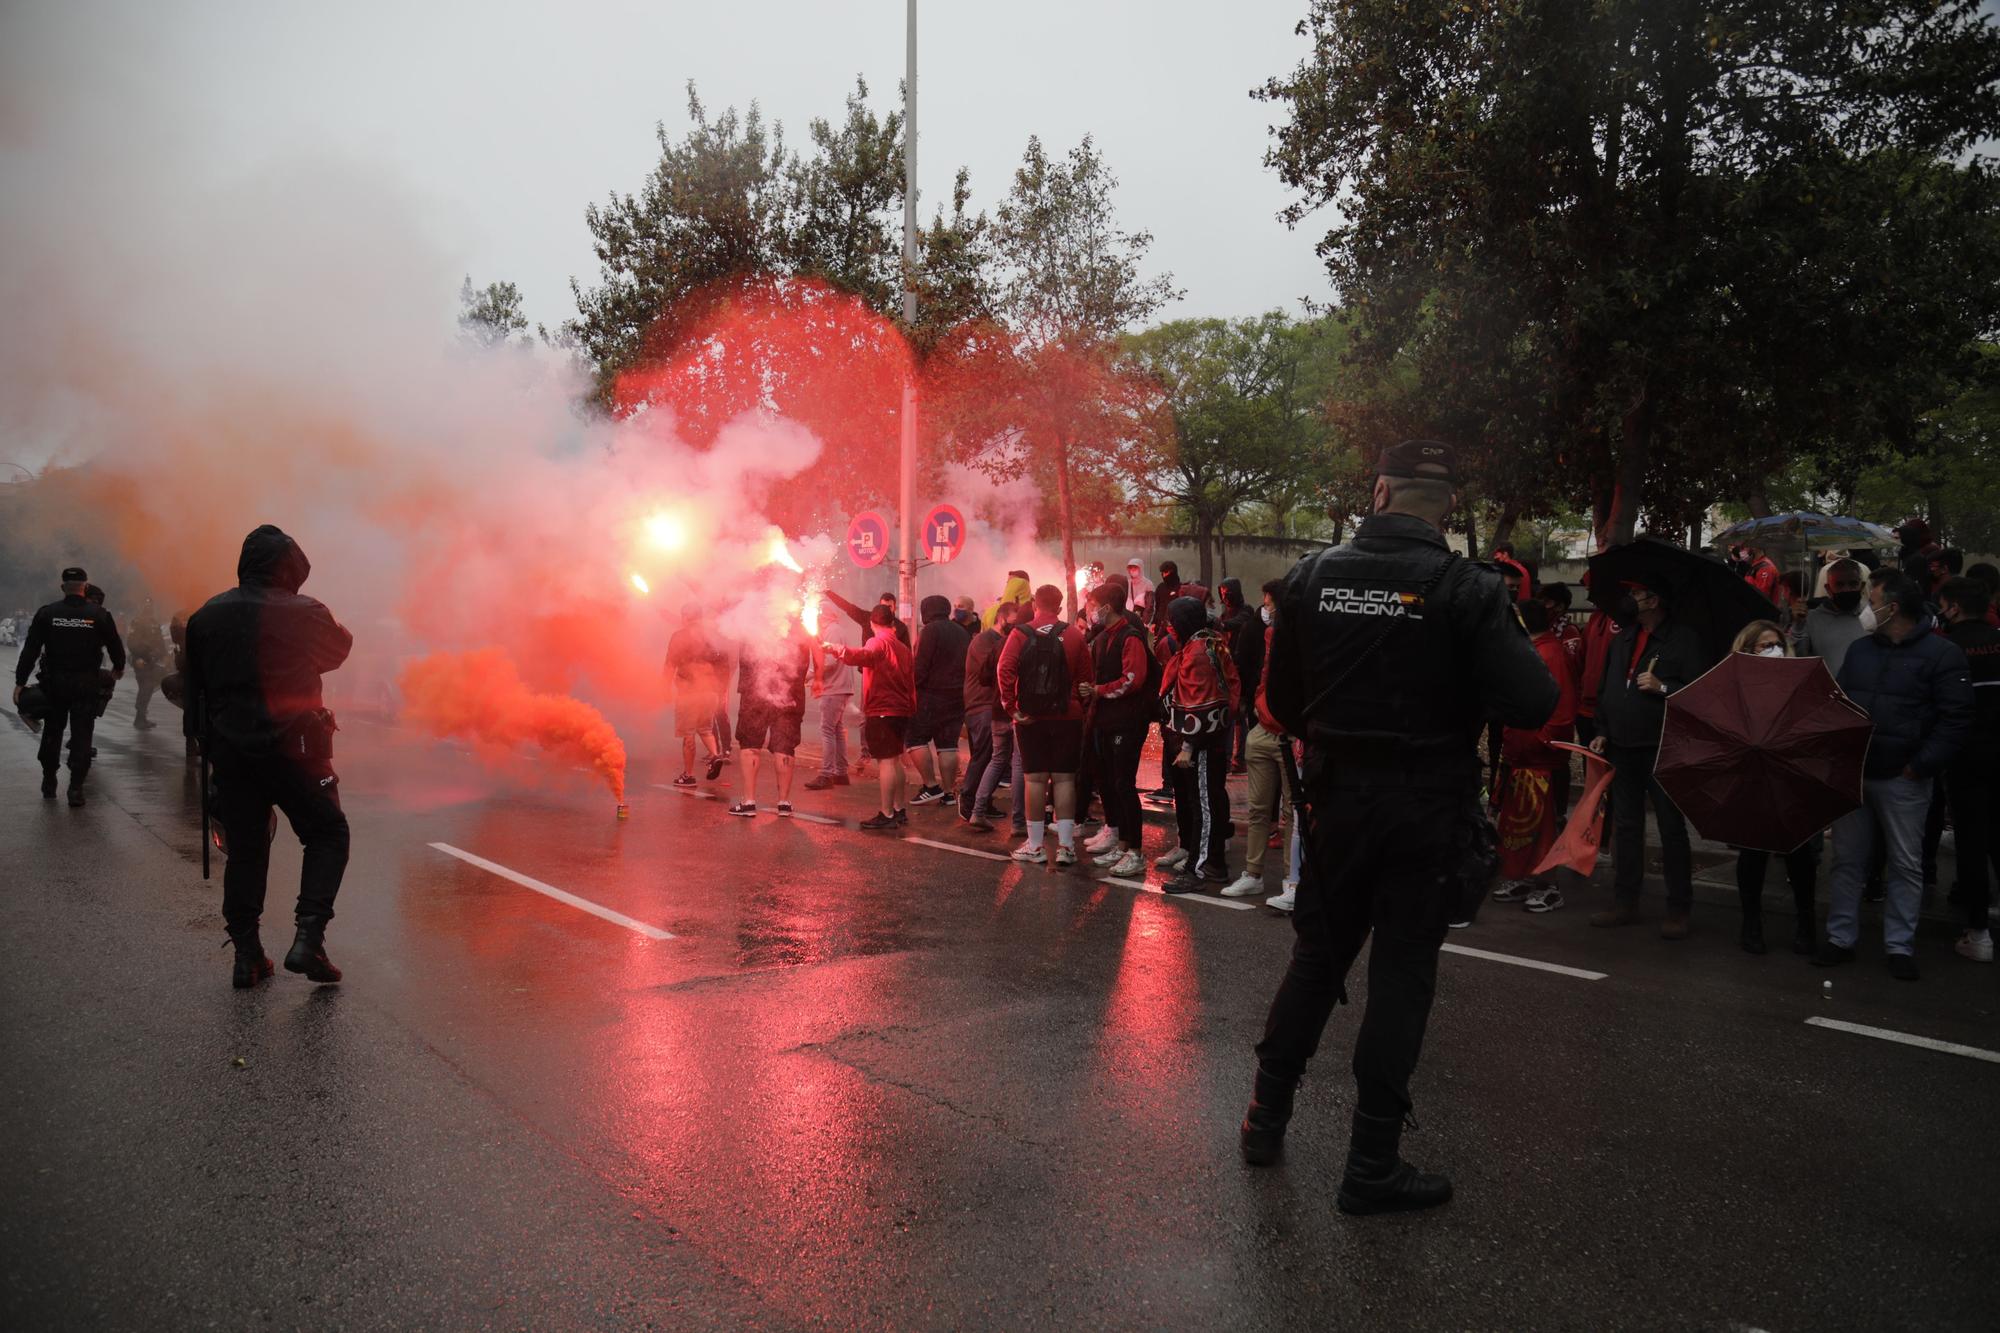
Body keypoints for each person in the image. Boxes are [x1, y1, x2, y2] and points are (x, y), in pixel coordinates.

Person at [1241, 440, 1557, 1215]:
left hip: (1338, 804)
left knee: (1317, 960)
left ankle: (1262, 1120)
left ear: (1379, 491)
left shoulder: (1313, 576)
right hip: (1425, 811)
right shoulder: (1466, 588)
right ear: (1445, 505)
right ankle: (1370, 1163)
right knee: (1401, 978)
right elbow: (1536, 701)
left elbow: (1280, 699)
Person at [185, 526, 353, 989]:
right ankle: (309, 938)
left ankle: (247, 954)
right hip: (298, 751)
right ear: (291, 566)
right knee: (327, 833)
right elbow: (338, 650)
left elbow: (193, 690)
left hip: (233, 753)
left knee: (246, 849)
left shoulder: (206, 616)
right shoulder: (308, 611)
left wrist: (205, 747)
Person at [1818, 573, 1973, 980]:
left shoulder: (1943, 655)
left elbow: (1956, 720)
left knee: (1905, 865)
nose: (1868, 609)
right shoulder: (1860, 650)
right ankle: (1840, 939)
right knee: (1848, 862)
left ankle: (1899, 946)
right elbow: (1842, 702)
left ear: (1895, 608)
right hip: (1856, 772)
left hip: (1903, 778)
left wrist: (1919, 766)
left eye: (1873, 601)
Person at [1588, 578, 1703, 938]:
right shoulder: (1623, 637)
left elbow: (1702, 693)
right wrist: (1602, 729)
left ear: (1654, 600)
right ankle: (1625, 902)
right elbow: (1608, 687)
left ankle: (1678, 908)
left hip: (1662, 747)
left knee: (1671, 829)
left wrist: (1663, 687)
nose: (1630, 599)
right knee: (1626, 826)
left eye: (1636, 594)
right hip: (1622, 746)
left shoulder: (1683, 640)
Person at [1726, 621, 1821, 955]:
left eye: (1776, 643)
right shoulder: (1734, 686)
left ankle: (1806, 923)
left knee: (1800, 854)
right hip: (1753, 778)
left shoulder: (1799, 681)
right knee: (1752, 853)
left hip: (1791, 778)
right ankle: (1750, 923)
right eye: (1763, 645)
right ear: (1747, 649)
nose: (1772, 649)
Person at [1490, 599, 1578, 913]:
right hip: (1522, 754)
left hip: (1538, 756)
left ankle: (1549, 885)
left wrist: (1542, 740)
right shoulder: (1534, 651)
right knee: (1519, 823)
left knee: (1541, 825)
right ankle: (1524, 876)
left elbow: (1562, 708)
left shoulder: (1550, 655)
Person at [14, 565, 125, 806]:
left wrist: (20, 682)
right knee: (82, 735)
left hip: (56, 684)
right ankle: (75, 788)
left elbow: (31, 650)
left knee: (53, 731)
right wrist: (118, 668)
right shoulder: (99, 614)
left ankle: (49, 780)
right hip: (86, 684)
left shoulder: (47, 613)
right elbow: (116, 646)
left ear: (63, 587)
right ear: (85, 587)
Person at [997, 583, 1090, 867]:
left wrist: (1012, 708)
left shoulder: (1020, 634)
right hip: (1067, 716)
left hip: (1031, 718)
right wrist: (1079, 709)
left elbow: (1004, 669)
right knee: (1064, 779)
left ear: (1035, 605)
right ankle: (1065, 847)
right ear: (1060, 607)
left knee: (1035, 780)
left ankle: (1035, 846)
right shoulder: (1074, 634)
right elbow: (1086, 679)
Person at [1155, 595, 1240, 891]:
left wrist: (1188, 745)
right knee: (1205, 802)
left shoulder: (1199, 652)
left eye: (1172, 620)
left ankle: (1201, 870)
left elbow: (1202, 701)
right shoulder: (1206, 643)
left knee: (1204, 804)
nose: (1168, 625)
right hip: (1204, 740)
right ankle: (1207, 862)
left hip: (1202, 743)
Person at [1937, 577, 1999, 962]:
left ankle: (1978, 933)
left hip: (1966, 758)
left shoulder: (1945, 650)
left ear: (1953, 607)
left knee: (1972, 844)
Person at [1080, 578, 1154, 878]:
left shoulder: (1130, 636)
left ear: (1107, 607)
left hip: (1127, 721)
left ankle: (1135, 851)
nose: (1090, 610)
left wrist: (1099, 690)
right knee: (1111, 781)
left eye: (1094, 605)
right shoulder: (1104, 637)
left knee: (1124, 784)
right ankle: (1122, 844)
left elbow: (1133, 679)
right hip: (1107, 721)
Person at [1224, 581, 1290, 899]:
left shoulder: (1303, 636)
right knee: (1258, 809)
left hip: (1292, 735)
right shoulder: (1262, 632)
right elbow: (1258, 675)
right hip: (1264, 728)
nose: (1267, 606)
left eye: (1270, 600)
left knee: (1291, 812)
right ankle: (1253, 873)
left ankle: (1293, 881)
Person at [827, 604, 917, 830]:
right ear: (892, 623)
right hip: (900, 710)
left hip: (883, 710)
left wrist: (838, 649)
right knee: (895, 760)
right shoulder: (903, 647)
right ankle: (898, 809)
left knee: (886, 762)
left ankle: (886, 814)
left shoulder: (877, 642)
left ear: (872, 623)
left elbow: (865, 656)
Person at [727, 619, 813, 818]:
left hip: (755, 692)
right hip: (789, 693)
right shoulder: (800, 627)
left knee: (750, 744)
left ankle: (749, 802)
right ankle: (783, 803)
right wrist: (815, 678)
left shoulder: (752, 619)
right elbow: (811, 654)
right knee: (785, 745)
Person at [963, 601, 1022, 832]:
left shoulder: (1002, 641)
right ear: (1001, 618)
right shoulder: (985, 641)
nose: (1015, 626)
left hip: (994, 706)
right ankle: (969, 803)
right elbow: (990, 673)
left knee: (996, 758)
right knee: (987, 757)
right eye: (1013, 620)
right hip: (983, 706)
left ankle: (982, 805)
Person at [907, 595, 970, 806]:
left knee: (915, 738)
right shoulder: (961, 632)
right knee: (948, 745)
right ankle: (949, 793)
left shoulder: (930, 631)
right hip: (956, 696)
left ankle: (930, 786)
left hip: (930, 695)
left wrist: (911, 688)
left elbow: (921, 666)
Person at [666, 606, 727, 786]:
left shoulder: (679, 636)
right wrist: (722, 689)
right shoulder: (711, 637)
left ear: (685, 617)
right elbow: (723, 663)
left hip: (689, 692)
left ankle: (688, 775)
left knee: (688, 734)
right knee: (705, 729)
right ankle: (716, 756)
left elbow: (670, 663)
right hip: (710, 692)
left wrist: (664, 687)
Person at [804, 600, 854, 792]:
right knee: (836, 730)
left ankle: (827, 774)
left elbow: (830, 662)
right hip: (840, 687)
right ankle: (841, 772)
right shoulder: (837, 630)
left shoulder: (832, 631)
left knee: (827, 730)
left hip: (834, 688)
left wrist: (808, 675)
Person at [1218, 578, 1263, 774]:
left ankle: (1240, 759)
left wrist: (1221, 624)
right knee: (1230, 715)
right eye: (1222, 592)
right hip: (1227, 669)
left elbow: (1237, 623)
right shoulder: (1225, 613)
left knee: (1239, 716)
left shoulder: (1247, 611)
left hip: (1243, 671)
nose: (1224, 596)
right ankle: (1228, 759)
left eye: (1227, 592)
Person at [1798, 557, 1868, 678]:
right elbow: (1799, 659)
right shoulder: (1812, 619)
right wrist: (1797, 625)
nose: (1846, 589)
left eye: (1853, 584)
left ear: (1861, 586)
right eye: (1839, 585)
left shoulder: (1873, 616)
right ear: (1828, 589)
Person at [125, 600, 169, 730]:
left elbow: (159, 640)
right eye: (146, 606)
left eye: (150, 606)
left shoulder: (154, 623)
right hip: (141, 660)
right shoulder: (137, 622)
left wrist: (164, 655)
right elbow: (132, 642)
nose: (148, 609)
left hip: (152, 659)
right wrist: (137, 657)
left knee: (148, 688)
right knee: (145, 688)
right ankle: (139, 718)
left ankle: (141, 716)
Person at [1125, 557, 1154, 622]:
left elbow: (1150, 606)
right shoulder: (1127, 583)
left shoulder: (1148, 584)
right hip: (1128, 619)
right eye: (1130, 568)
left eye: (1135, 567)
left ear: (1140, 568)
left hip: (1141, 619)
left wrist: (1145, 622)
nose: (1132, 570)